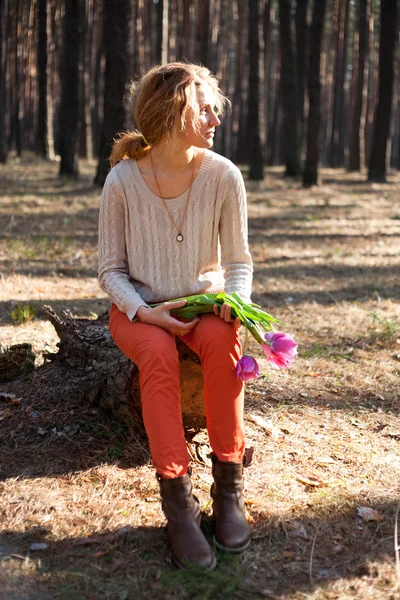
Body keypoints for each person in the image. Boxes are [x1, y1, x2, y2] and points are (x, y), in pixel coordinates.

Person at [98, 62, 253, 570]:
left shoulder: (223, 175)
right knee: (158, 357)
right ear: (172, 112)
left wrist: (235, 303)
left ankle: (228, 488)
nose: (214, 119)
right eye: (203, 108)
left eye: (215, 108)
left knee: (222, 346)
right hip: (139, 312)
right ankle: (178, 504)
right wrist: (145, 311)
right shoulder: (122, 180)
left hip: (202, 304)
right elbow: (110, 271)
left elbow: (238, 264)